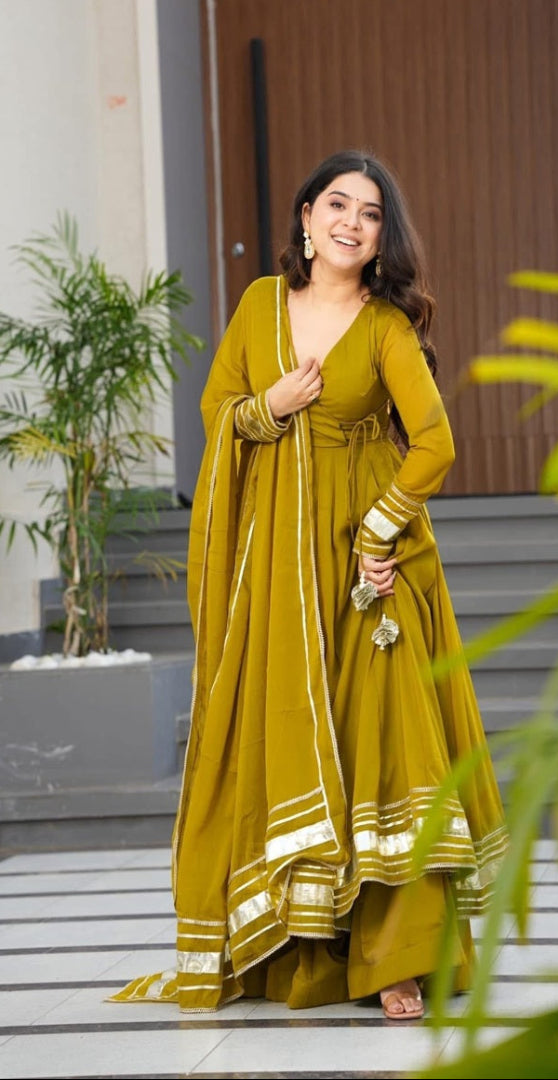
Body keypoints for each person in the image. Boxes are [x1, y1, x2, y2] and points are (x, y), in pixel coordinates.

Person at [110, 149, 508, 1021]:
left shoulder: (387, 328)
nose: (351, 223)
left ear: (379, 241)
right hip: (276, 566)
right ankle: (302, 947)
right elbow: (221, 413)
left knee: (383, 747)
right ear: (304, 216)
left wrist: (380, 531)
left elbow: (434, 442)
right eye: (338, 204)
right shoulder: (260, 307)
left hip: (369, 564)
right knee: (285, 733)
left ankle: (393, 959)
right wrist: (272, 407)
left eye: (369, 215)